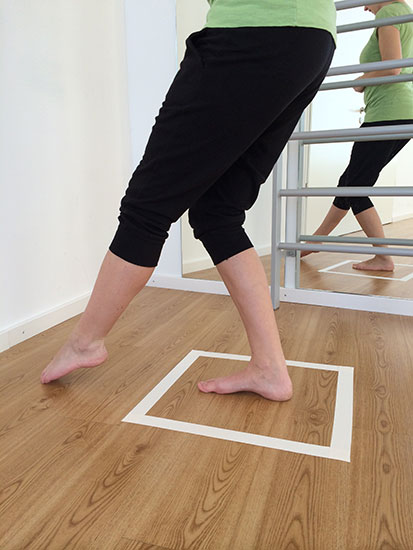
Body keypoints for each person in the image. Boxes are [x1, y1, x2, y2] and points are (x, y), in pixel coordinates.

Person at [40, 0, 337, 400]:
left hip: (254, 30)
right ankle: (269, 368)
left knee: (148, 205)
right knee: (218, 212)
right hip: (312, 39)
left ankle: (85, 342)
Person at [301, 1, 413, 271]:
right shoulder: (406, 13)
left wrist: (360, 81)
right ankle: (317, 240)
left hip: (388, 111)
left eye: (366, 1)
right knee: (350, 181)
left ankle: (383, 257)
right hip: (399, 110)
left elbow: (393, 66)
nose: (364, 8)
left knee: (357, 186)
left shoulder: (389, 12)